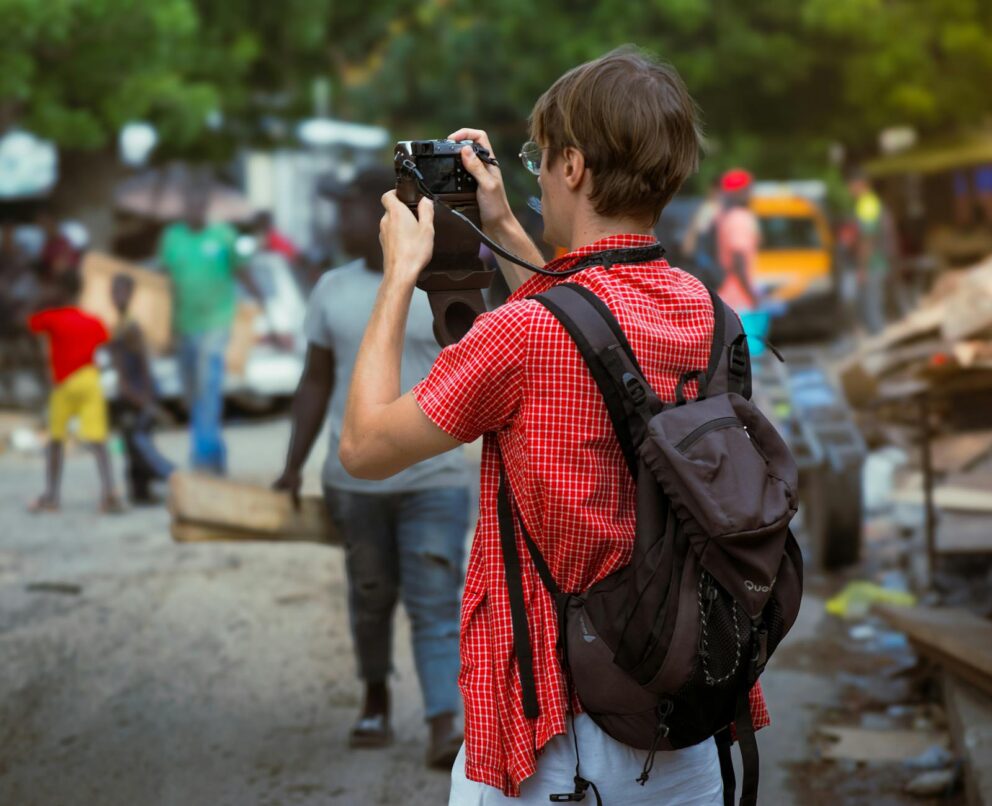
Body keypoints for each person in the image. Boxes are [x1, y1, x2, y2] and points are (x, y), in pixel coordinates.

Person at [339, 47, 769, 803]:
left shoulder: (523, 337)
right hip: (690, 718)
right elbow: (588, 328)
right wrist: (500, 216)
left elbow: (365, 448)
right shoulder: (709, 314)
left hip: (558, 742)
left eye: (541, 158)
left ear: (572, 167)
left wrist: (399, 272)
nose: (535, 173)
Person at [272, 166, 471, 769]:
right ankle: (376, 701)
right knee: (370, 593)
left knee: (435, 597)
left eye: (352, 208)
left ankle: (443, 721)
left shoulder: (444, 286)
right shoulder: (331, 287)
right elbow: (315, 382)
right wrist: (292, 467)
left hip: (434, 478)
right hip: (353, 480)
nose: (341, 221)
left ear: (390, 212)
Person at [159, 174, 262, 474]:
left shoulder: (223, 236)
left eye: (199, 203)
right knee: (193, 396)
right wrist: (163, 328)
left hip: (217, 323)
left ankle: (202, 461)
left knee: (208, 389)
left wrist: (262, 304)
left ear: (206, 205)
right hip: (183, 327)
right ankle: (214, 455)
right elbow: (163, 284)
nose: (194, 208)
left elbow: (242, 271)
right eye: (189, 203)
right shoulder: (171, 238)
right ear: (183, 207)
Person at [27, 272, 122, 513]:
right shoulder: (93, 321)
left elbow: (29, 323)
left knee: (57, 440)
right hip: (90, 380)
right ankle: (109, 491)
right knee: (98, 440)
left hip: (64, 383)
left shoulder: (52, 318)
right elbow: (106, 346)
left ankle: (52, 496)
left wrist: (42, 299)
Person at [109, 273, 175, 504]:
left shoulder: (129, 327)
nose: (117, 297)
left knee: (140, 444)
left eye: (122, 292)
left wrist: (145, 399)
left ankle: (152, 486)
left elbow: (142, 367)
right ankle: (140, 492)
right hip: (133, 395)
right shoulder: (120, 325)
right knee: (133, 446)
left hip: (137, 394)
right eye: (114, 291)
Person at [847, 169, 892, 335]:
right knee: (871, 309)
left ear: (860, 184)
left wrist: (863, 268)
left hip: (873, 264)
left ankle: (881, 352)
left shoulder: (867, 204)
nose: (849, 190)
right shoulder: (868, 203)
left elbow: (868, 238)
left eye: (851, 185)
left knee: (872, 312)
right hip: (875, 263)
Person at [715, 168, 761, 313]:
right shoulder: (739, 218)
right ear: (739, 192)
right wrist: (753, 296)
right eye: (748, 189)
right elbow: (739, 260)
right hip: (739, 300)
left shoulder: (724, 216)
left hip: (729, 297)